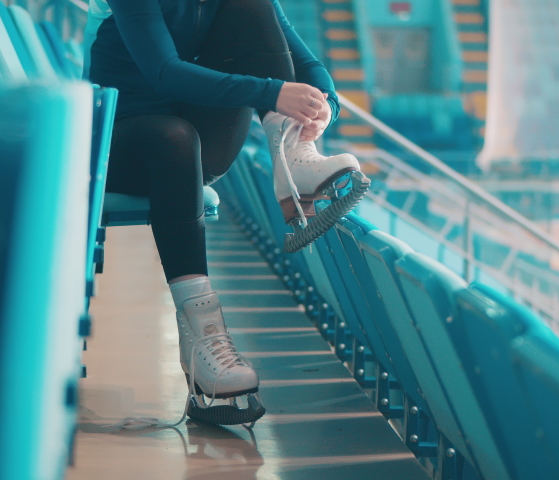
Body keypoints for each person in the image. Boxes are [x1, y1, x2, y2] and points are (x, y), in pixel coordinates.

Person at [87, 0, 365, 426]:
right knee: (174, 140)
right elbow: (164, 70)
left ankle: (295, 155)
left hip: (200, 143)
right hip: (122, 140)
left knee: (252, 8)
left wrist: (323, 102)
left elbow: (302, 58)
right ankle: (204, 336)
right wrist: (272, 93)